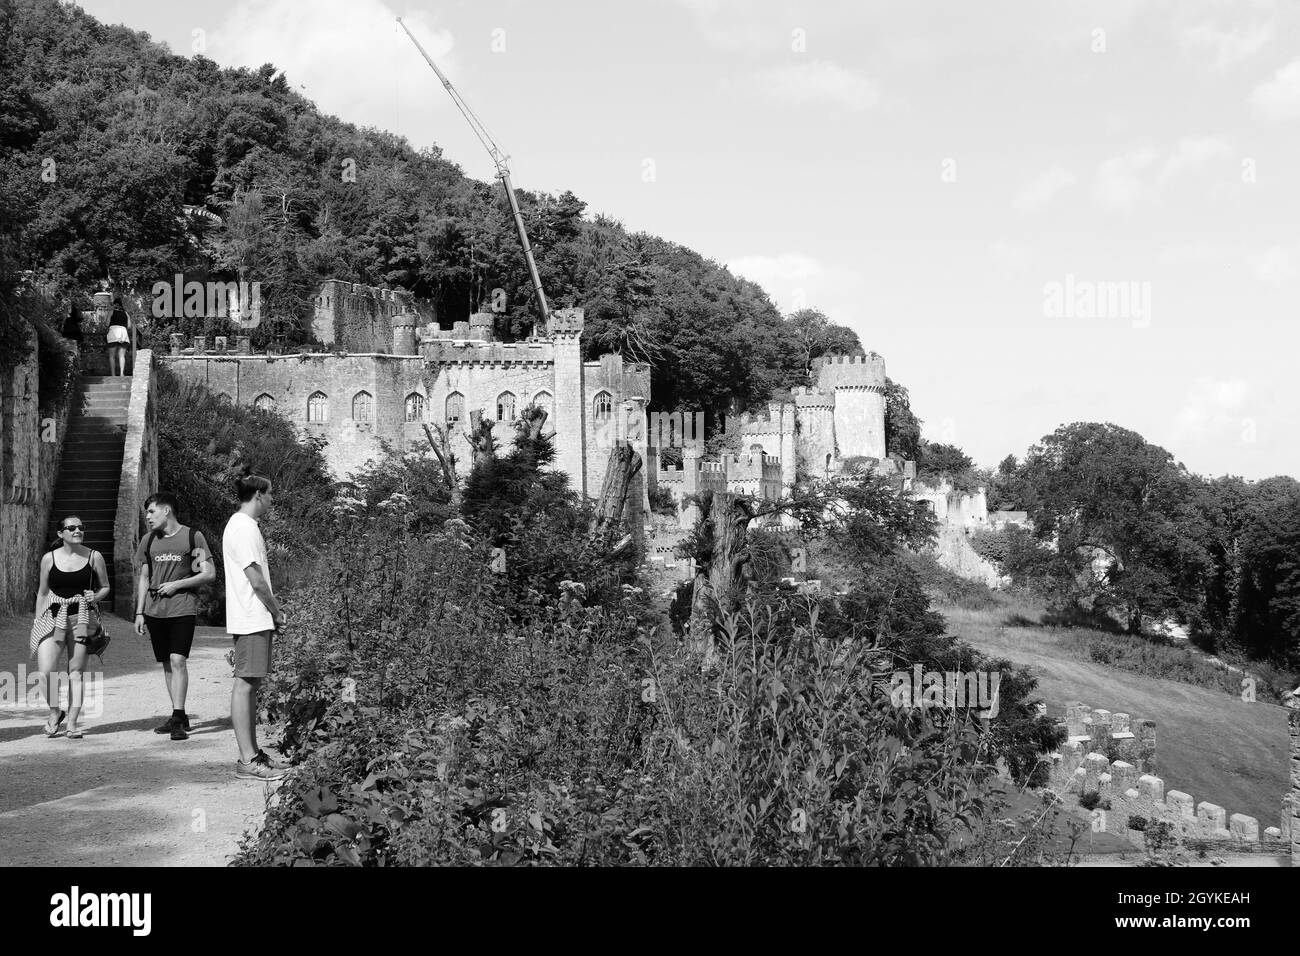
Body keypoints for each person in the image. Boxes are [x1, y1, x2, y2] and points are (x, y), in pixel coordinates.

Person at [134, 493, 216, 741]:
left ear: (166, 510)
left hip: (182, 607)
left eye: (151, 511)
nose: (147, 517)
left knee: (178, 659)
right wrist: (139, 612)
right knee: (168, 664)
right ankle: (177, 714)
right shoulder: (148, 541)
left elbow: (208, 573)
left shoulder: (193, 537)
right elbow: (145, 578)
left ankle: (179, 717)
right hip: (154, 610)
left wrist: (177, 585)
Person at [222, 470, 288, 780]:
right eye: (270, 494)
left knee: (251, 683)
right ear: (258, 495)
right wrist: (277, 611)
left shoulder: (245, 526)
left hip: (252, 615)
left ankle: (253, 753)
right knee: (245, 684)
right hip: (252, 615)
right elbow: (256, 580)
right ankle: (247, 760)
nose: (273, 499)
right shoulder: (243, 528)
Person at [29, 516, 110, 739]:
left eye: (81, 527)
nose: (77, 531)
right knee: (45, 672)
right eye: (71, 528)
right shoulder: (48, 559)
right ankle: (56, 712)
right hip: (52, 618)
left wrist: (97, 595)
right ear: (60, 533)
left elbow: (105, 587)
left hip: (82, 618)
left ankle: (72, 723)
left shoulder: (95, 557)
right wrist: (37, 621)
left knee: (75, 673)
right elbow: (43, 592)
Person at [106, 298, 130, 376]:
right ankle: (122, 373)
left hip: (113, 332)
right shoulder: (126, 313)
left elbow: (107, 323)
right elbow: (129, 326)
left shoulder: (111, 312)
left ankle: (113, 374)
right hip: (123, 333)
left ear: (114, 304)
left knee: (112, 356)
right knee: (122, 356)